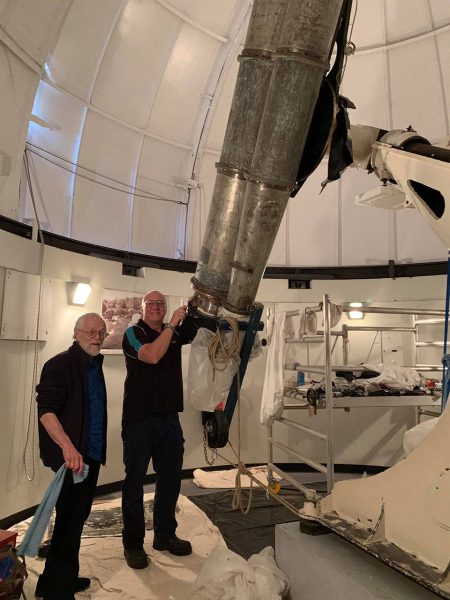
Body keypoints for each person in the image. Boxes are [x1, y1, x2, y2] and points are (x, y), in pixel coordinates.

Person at [121, 290, 197, 569]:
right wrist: (172, 326)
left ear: (165, 309)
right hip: (139, 419)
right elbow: (152, 356)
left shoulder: (172, 331)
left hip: (169, 419)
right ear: (142, 308)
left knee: (171, 479)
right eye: (150, 304)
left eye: (159, 304)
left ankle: (165, 535)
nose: (155, 307)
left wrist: (196, 303)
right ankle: (132, 543)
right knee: (134, 483)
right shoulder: (133, 333)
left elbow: (203, 327)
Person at [35, 313, 108, 600]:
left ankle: (56, 580)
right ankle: (57, 592)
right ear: (76, 333)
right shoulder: (59, 364)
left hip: (89, 457)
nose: (97, 337)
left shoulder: (93, 364)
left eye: (101, 332)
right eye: (91, 331)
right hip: (72, 459)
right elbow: (47, 412)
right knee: (68, 522)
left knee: (74, 520)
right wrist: (67, 447)